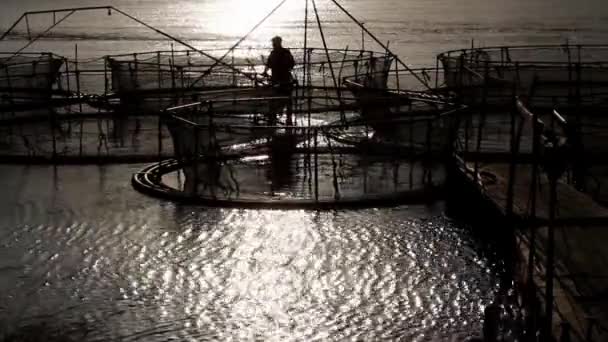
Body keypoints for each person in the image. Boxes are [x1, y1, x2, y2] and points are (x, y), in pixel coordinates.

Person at [262, 36, 295, 125]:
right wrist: (265, 72)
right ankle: (275, 117)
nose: (273, 44)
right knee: (275, 98)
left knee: (287, 99)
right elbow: (268, 64)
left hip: (284, 79)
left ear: (279, 43)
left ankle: (288, 118)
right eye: (273, 43)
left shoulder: (285, 53)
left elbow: (291, 64)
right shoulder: (274, 53)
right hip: (276, 79)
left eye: (274, 43)